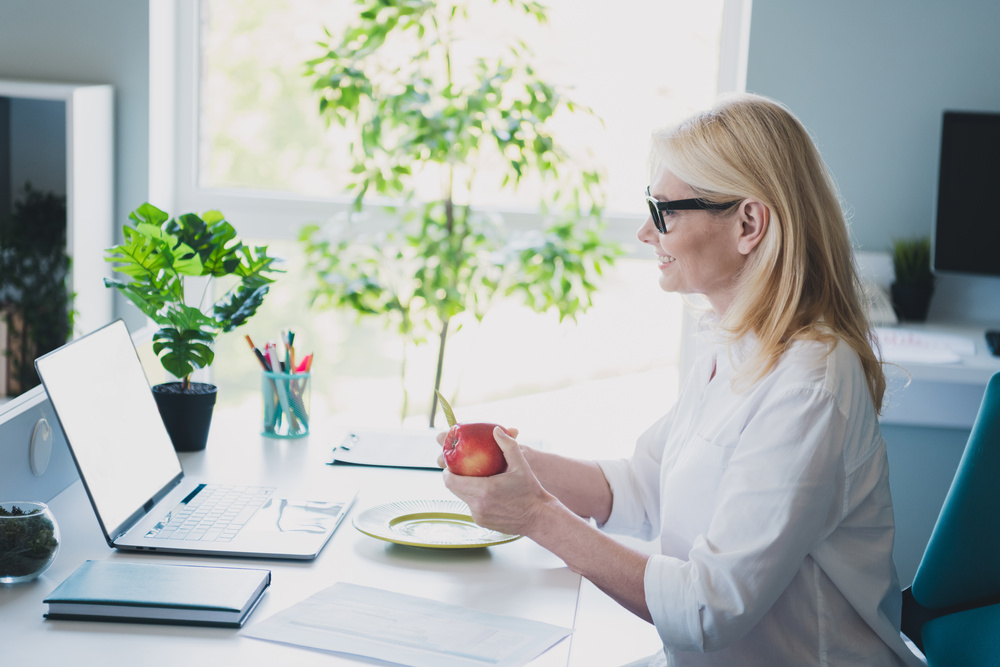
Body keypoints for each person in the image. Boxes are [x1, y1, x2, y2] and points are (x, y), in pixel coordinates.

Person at [440, 93, 924, 666]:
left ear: (749, 224)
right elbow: (640, 488)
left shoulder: (809, 385)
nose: (646, 233)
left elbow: (708, 608)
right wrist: (509, 460)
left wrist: (534, 515)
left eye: (664, 210)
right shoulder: (732, 342)